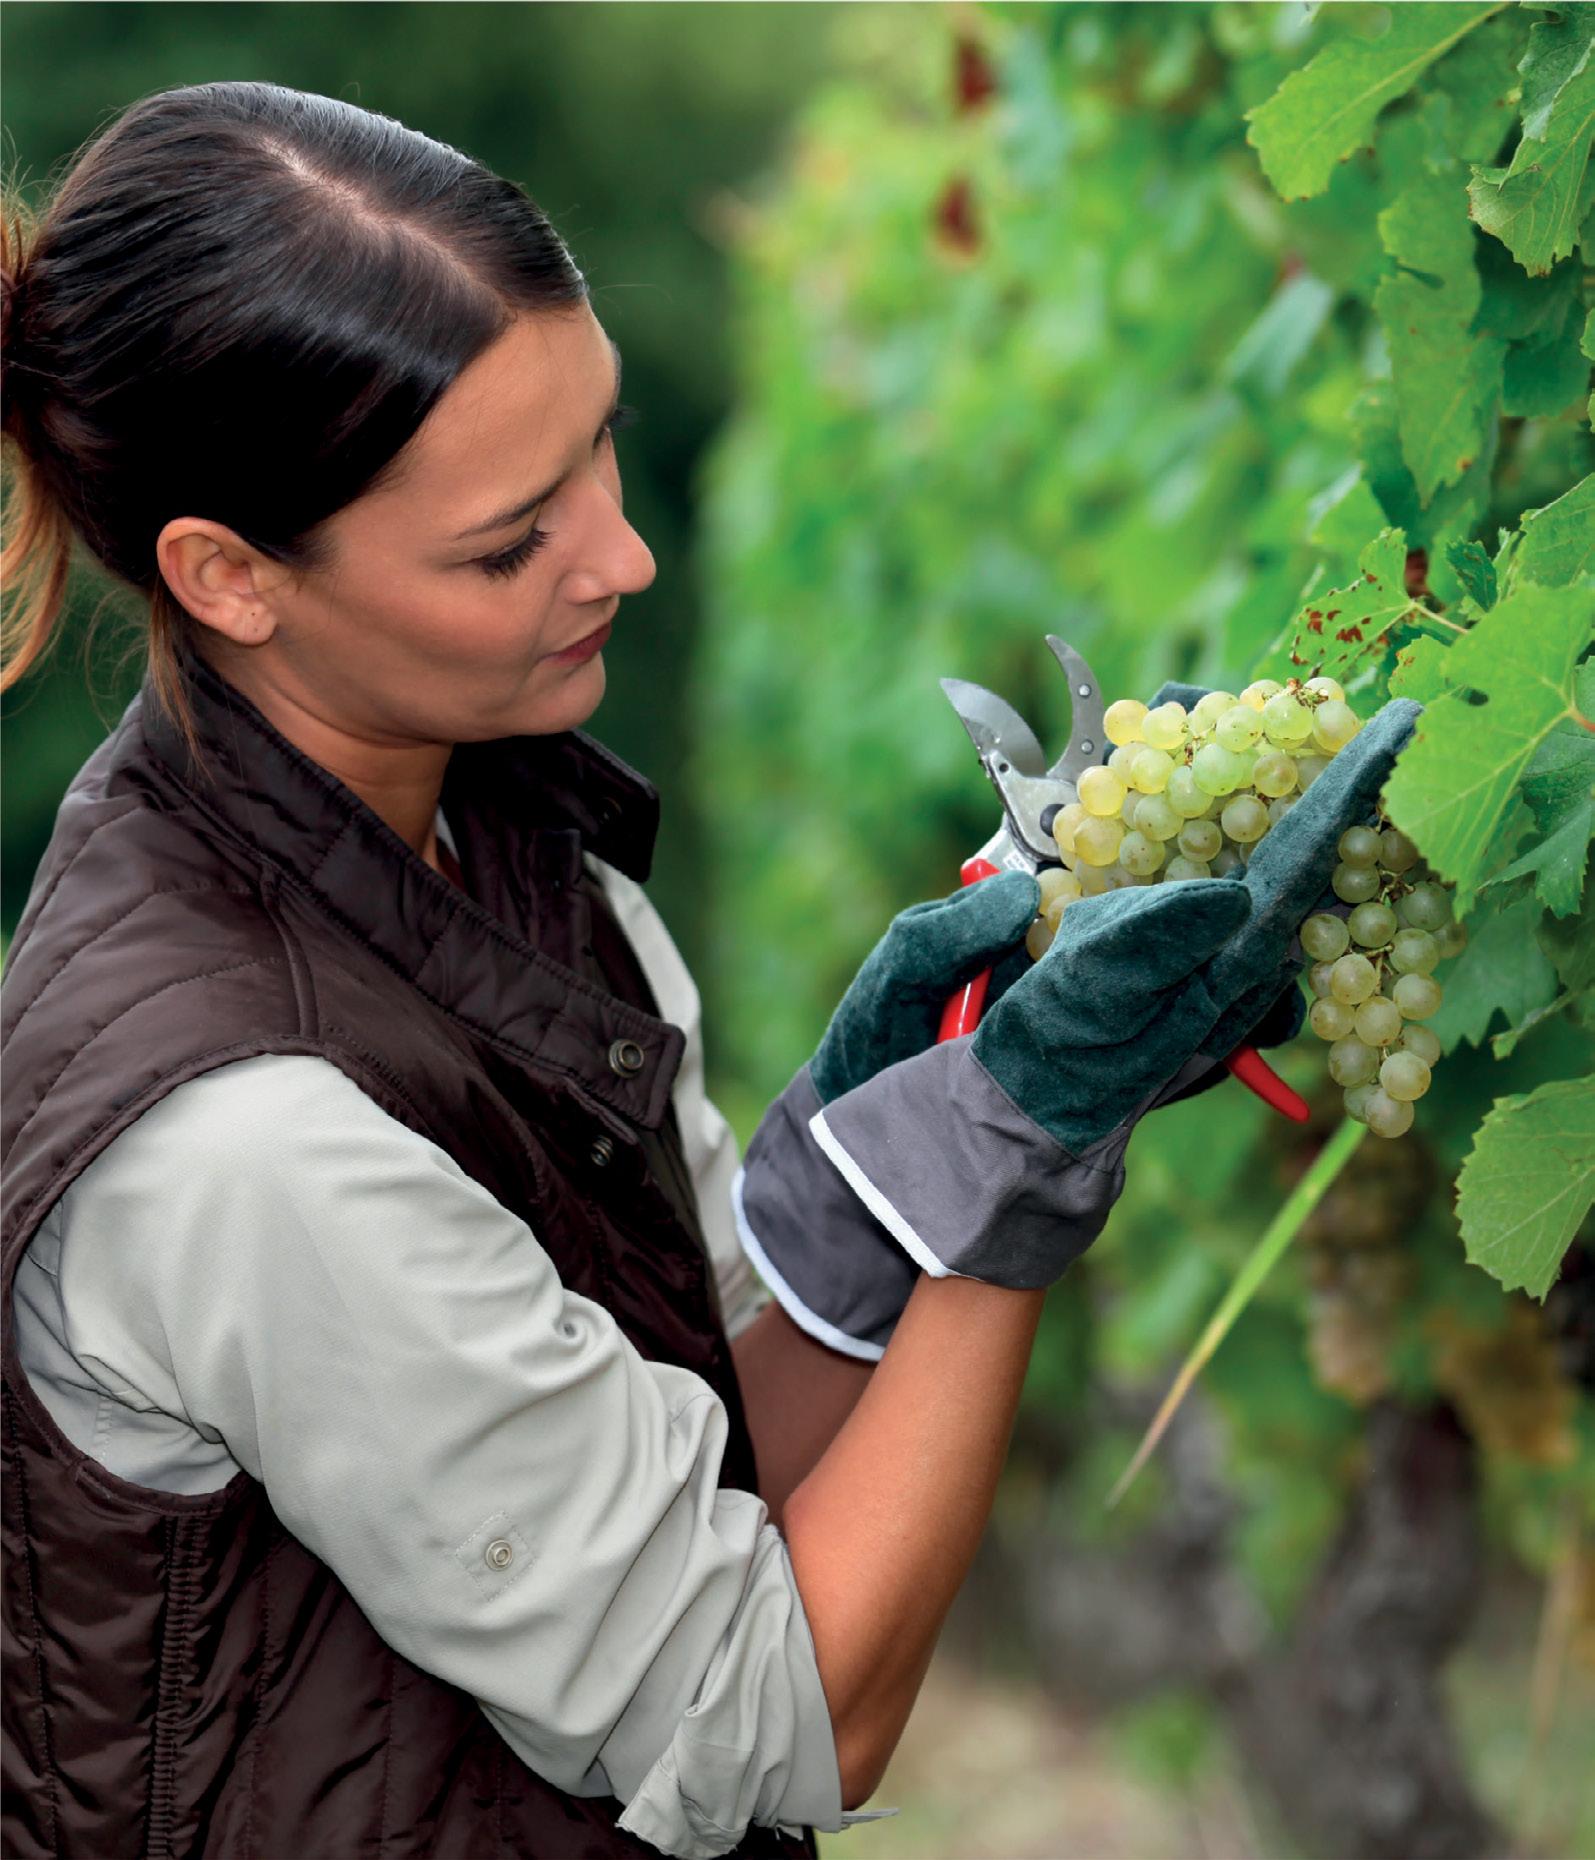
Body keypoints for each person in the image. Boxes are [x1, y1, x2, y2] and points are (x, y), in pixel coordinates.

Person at [0, 81, 1414, 1860]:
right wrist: (1025, 1159)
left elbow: (683, 1471)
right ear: (229, 578)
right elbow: (775, 1717)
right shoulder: (242, 1143)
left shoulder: (512, 849)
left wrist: (872, 1179)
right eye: (509, 541)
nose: (625, 554)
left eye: (599, 441)